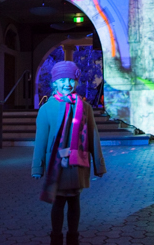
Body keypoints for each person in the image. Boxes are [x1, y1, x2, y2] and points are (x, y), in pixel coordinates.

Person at [32, 61, 106, 245]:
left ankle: (73, 237)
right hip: (56, 165)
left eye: (71, 79)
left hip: (77, 163)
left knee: (75, 201)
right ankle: (56, 238)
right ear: (55, 82)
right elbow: (41, 141)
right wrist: (37, 167)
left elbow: (92, 136)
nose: (67, 83)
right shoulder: (46, 108)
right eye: (62, 79)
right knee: (58, 202)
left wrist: (99, 165)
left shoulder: (85, 107)